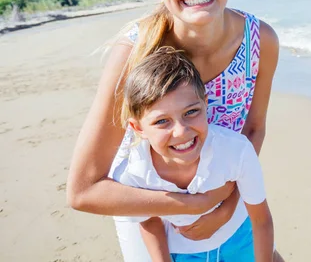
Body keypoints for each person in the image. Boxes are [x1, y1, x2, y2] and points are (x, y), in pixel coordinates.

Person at [66, 0, 284, 261]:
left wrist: (225, 203)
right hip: (147, 209)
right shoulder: (135, 52)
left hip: (222, 187)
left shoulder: (260, 40)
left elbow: (253, 129)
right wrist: (192, 204)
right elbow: (83, 191)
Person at [114, 47, 273, 262]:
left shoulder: (235, 150)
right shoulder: (133, 173)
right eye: (162, 121)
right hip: (184, 253)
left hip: (240, 238)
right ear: (138, 128)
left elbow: (261, 220)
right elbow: (149, 222)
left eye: (191, 112)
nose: (181, 132)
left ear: (205, 104)